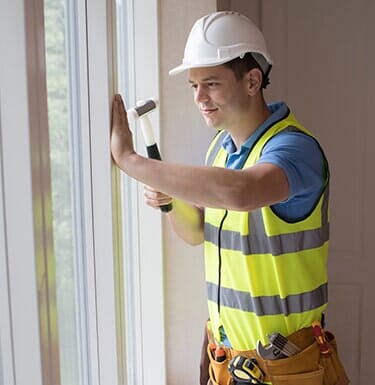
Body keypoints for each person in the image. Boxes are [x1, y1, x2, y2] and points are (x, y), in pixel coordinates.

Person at [111, 10, 348, 385]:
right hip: (229, 361)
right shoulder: (221, 151)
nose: (199, 98)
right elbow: (196, 233)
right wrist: (171, 198)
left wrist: (129, 160)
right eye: (193, 86)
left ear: (253, 80)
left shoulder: (294, 149)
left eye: (211, 84)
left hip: (286, 366)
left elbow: (242, 192)